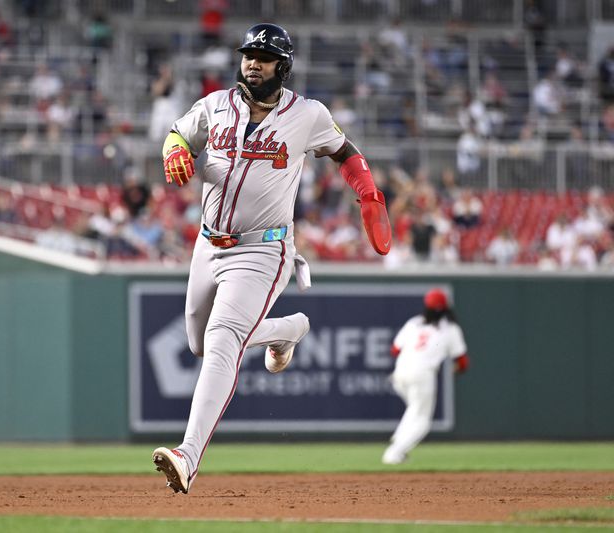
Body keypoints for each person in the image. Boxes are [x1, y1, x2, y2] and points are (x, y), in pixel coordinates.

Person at [152, 23, 392, 494]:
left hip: (264, 248)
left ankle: (188, 454)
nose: (252, 63)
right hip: (208, 243)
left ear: (282, 65)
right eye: (248, 55)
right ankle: (289, 330)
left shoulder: (307, 114)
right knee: (201, 343)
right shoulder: (216, 106)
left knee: (223, 338)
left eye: (263, 56)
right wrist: (175, 150)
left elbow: (346, 152)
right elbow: (178, 134)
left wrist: (368, 192)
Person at [382, 289, 469, 465]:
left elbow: (394, 350)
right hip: (423, 375)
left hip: (401, 373)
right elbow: (462, 362)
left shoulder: (414, 323)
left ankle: (400, 439)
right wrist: (456, 370)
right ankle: (394, 453)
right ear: (446, 308)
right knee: (422, 420)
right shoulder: (451, 328)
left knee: (415, 409)